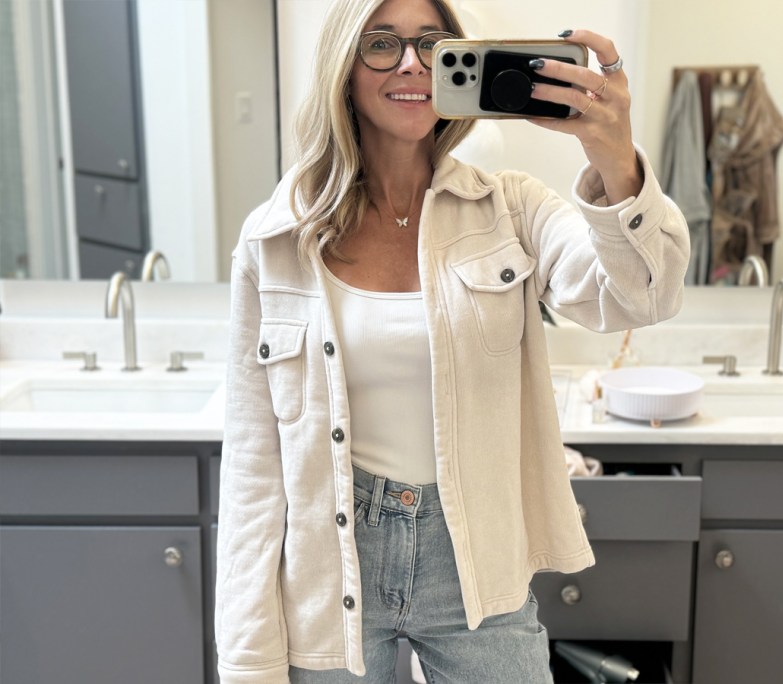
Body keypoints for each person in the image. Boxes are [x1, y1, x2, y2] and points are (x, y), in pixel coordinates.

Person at [214, 0, 690, 681]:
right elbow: (254, 468)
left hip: (475, 559)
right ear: (344, 69)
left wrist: (613, 154)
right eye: (382, 43)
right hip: (329, 567)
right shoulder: (279, 237)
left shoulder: (513, 209)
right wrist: (247, 661)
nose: (411, 63)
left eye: (432, 44)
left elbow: (644, 295)